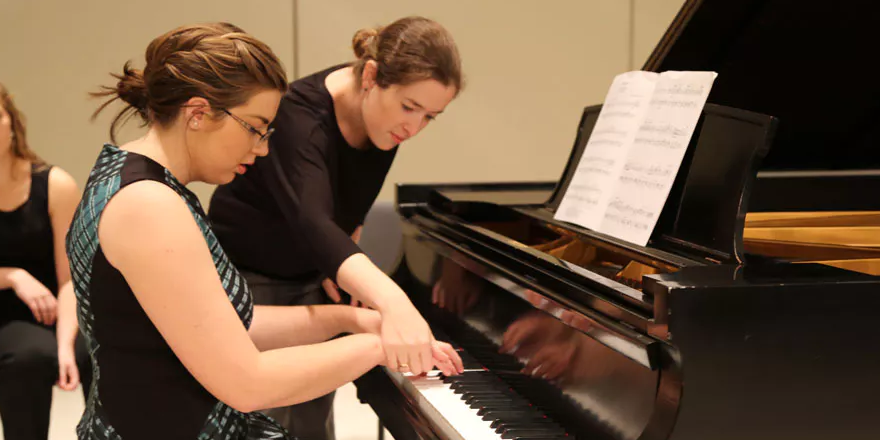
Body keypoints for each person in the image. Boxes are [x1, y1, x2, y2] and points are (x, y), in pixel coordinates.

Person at [67, 22, 462, 440]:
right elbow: (248, 383)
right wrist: (383, 347)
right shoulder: (150, 206)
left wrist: (349, 320)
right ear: (198, 113)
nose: (262, 148)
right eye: (255, 128)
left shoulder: (132, 173)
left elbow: (224, 325)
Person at [208, 16, 464, 438]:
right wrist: (394, 304)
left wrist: (339, 259)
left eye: (430, 117)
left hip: (307, 270)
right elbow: (312, 221)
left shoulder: (384, 123)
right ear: (371, 75)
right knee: (263, 424)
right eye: (409, 107)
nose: (413, 128)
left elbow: (344, 210)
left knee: (308, 424)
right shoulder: (300, 118)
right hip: (249, 274)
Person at [0, 82, 91, 440]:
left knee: (100, 352)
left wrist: (66, 345)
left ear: (12, 124)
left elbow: (68, 279)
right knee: (30, 356)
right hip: (6, 314)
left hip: (54, 310)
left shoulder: (54, 183)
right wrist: (13, 277)